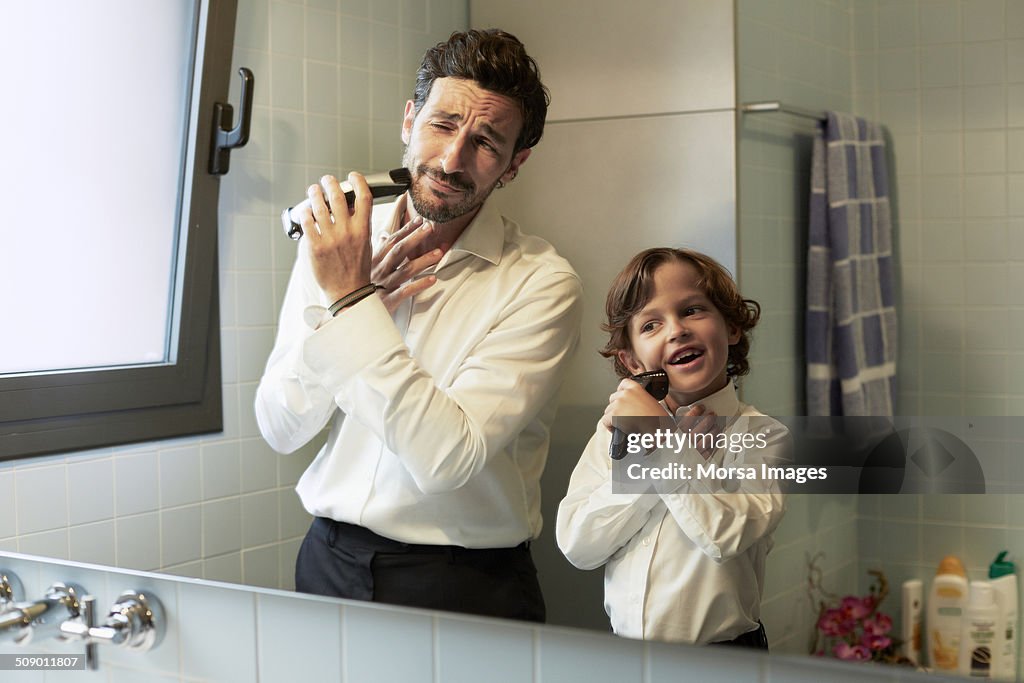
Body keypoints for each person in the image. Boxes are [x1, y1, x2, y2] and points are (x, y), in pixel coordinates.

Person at [255, 29, 582, 623]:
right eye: (442, 124)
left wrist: (352, 304)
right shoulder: (339, 244)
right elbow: (281, 426)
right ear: (410, 119)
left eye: (486, 141)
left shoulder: (541, 283)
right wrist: (348, 305)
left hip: (465, 586)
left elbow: (446, 460)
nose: (452, 160)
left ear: (515, 165)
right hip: (327, 563)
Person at [555, 247, 789, 647]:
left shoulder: (765, 435)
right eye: (650, 325)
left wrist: (664, 443)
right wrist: (654, 451)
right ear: (630, 360)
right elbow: (579, 546)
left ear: (732, 328)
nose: (676, 329)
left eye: (693, 310)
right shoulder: (615, 433)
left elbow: (725, 535)